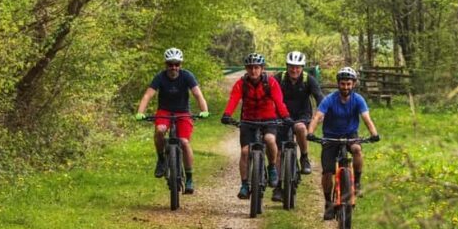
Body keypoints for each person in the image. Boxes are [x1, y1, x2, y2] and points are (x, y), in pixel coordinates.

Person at [307, 67, 380, 220]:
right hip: (331, 136)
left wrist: (374, 134)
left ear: (353, 84)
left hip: (350, 134)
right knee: (327, 172)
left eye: (348, 84)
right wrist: (311, 132)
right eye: (342, 84)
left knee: (357, 150)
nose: (345, 87)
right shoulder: (330, 99)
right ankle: (328, 203)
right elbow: (318, 116)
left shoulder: (358, 99)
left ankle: (357, 182)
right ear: (338, 84)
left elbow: (366, 118)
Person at [135, 48, 209, 194]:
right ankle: (161, 159)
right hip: (165, 111)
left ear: (180, 64)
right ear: (166, 64)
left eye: (177, 64)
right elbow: (147, 96)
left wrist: (204, 110)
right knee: (160, 131)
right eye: (170, 64)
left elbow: (197, 94)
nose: (173, 67)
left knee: (184, 142)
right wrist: (140, 113)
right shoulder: (160, 77)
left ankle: (189, 178)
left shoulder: (187, 76)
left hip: (183, 112)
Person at [221, 53, 292, 200]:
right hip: (248, 121)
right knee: (245, 152)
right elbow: (234, 99)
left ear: (262, 68)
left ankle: (272, 167)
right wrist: (227, 114)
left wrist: (285, 117)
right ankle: (245, 184)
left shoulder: (271, 82)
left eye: (256, 67)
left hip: (268, 120)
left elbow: (279, 102)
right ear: (246, 69)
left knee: (270, 139)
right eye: (250, 68)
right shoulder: (241, 83)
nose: (253, 71)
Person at [271, 50, 325, 202]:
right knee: (279, 151)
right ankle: (278, 188)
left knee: (300, 128)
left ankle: (304, 157)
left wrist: (321, 113)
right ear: (287, 66)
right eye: (291, 67)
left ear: (302, 67)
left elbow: (320, 97)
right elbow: (267, 95)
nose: (294, 70)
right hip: (281, 116)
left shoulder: (309, 80)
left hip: (302, 115)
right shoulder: (278, 79)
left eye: (298, 67)